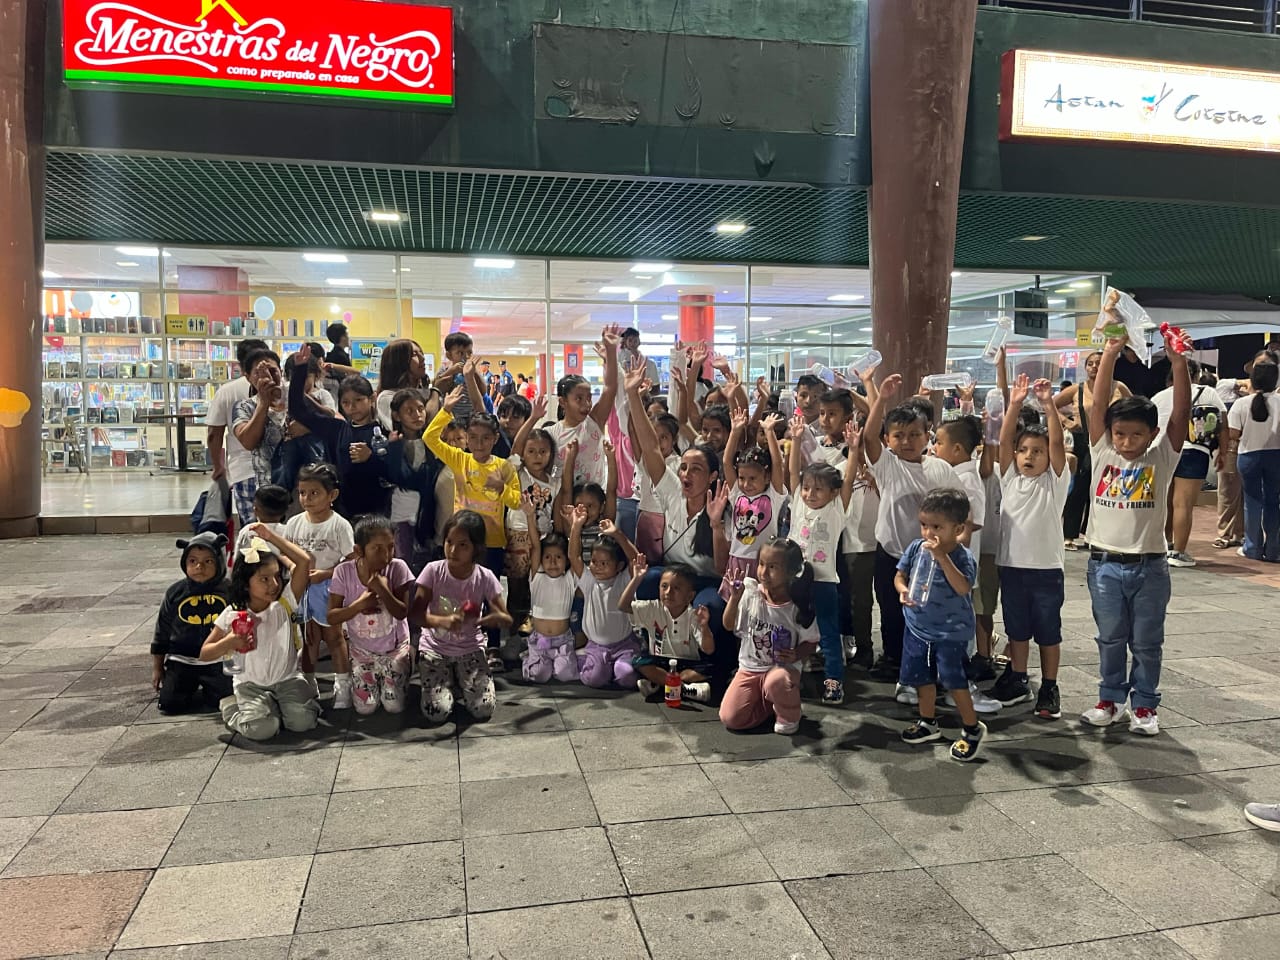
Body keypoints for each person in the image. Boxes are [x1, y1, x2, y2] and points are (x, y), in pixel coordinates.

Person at [1081, 327, 1189, 737]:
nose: (1126, 441)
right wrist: (1109, 353)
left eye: (1136, 434)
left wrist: (1177, 362)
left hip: (1150, 566)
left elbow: (1180, 414)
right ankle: (1109, 700)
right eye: (1120, 433)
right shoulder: (1102, 451)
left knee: (1146, 641)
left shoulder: (1162, 456)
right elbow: (1098, 407)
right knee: (1109, 638)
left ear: (1152, 435)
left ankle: (1144, 705)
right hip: (1104, 564)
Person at [862, 373, 959, 683]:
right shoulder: (888, 465)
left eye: (915, 434)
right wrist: (881, 398)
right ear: (888, 439)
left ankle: (924, 664)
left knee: (925, 611)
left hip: (929, 557)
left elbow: (958, 509)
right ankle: (893, 658)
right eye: (898, 435)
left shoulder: (940, 468)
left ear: (927, 434)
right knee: (890, 610)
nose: (906, 442)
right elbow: (867, 439)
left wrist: (954, 545)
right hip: (891, 554)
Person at [424, 386, 521, 669]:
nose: (479, 443)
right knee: (458, 593)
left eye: (485, 438)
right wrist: (446, 410)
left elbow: (516, 501)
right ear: (466, 437)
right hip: (461, 543)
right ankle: (459, 642)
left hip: (492, 542)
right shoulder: (459, 459)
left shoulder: (504, 467)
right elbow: (429, 437)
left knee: (490, 595)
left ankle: (493, 646)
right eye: (473, 437)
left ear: (494, 439)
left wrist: (501, 488)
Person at [995, 375, 1071, 719]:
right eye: (1024, 450)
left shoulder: (1054, 483)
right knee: (1017, 630)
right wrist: (1014, 404)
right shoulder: (1009, 478)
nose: (1029, 456)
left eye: (1038, 452)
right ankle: (1019, 678)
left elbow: (1057, 443)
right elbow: (1003, 440)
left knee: (1048, 632)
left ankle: (1050, 686)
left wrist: (1048, 405)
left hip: (1046, 571)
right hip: (1011, 568)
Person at [200, 525, 320, 741]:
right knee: (262, 730)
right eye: (264, 579)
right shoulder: (233, 613)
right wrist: (228, 642)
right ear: (246, 584)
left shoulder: (285, 602)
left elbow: (303, 562)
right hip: (250, 685)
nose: (273, 584)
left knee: (303, 723)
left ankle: (282, 707)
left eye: (276, 577)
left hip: (287, 679)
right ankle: (232, 709)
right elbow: (205, 653)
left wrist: (271, 537)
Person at [896, 488, 986, 762]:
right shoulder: (916, 548)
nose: (928, 533)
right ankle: (928, 721)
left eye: (937, 527)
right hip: (917, 626)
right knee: (921, 677)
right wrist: (902, 589)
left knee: (953, 679)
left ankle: (972, 727)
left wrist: (942, 557)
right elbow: (900, 574)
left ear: (958, 529)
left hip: (950, 631)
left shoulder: (962, 556)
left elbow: (963, 587)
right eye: (924, 525)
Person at [410, 510, 511, 724]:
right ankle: (449, 679)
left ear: (477, 548)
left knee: (483, 709)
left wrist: (491, 619)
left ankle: (457, 679)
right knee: (436, 712)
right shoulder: (432, 571)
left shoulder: (485, 577)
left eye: (463, 545)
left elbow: (504, 616)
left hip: (470, 648)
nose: (453, 550)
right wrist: (442, 621)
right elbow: (416, 615)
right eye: (449, 542)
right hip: (435, 649)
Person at [787, 417, 858, 705]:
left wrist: (854, 449)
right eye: (807, 488)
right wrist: (795, 440)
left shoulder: (836, 509)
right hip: (795, 581)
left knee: (829, 632)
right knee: (792, 628)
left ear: (833, 492)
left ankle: (834, 681)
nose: (810, 494)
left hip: (825, 582)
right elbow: (792, 472)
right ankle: (789, 674)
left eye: (818, 489)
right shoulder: (798, 502)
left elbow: (849, 480)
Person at [719, 539, 821, 734]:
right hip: (750, 669)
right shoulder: (751, 594)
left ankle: (789, 714)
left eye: (773, 567)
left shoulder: (796, 607)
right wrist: (734, 599)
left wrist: (795, 654)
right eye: (761, 564)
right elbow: (728, 625)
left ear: (790, 572)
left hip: (781, 670)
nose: (764, 572)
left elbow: (811, 642)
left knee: (776, 681)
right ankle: (770, 706)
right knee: (730, 718)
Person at [284, 463, 356, 708]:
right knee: (308, 638)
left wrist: (326, 573)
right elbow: (284, 552)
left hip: (329, 589)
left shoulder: (339, 525)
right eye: (302, 493)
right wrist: (294, 567)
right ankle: (308, 681)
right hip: (302, 588)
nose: (306, 499)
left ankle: (343, 683)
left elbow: (352, 560)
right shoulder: (294, 523)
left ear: (332, 495)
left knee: (334, 637)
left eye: (314, 493)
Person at [327, 516, 415, 716]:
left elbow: (402, 612)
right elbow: (332, 617)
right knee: (365, 708)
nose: (386, 555)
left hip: (394, 648)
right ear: (359, 551)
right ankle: (374, 676)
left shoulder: (398, 568)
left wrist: (383, 589)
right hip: (362, 651)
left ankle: (407, 658)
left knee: (393, 706)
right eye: (377, 548)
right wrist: (359, 605)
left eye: (391, 547)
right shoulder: (343, 572)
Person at [288, 359, 392, 519]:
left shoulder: (384, 431)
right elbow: (298, 411)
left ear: (372, 398)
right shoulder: (337, 429)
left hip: (377, 513)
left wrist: (371, 458)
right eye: (346, 402)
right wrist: (300, 369)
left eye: (358, 400)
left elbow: (394, 474)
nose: (352, 407)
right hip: (341, 512)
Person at [1152, 358, 1225, 567]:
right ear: (1195, 375)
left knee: (1164, 502)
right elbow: (1222, 422)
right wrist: (1222, 451)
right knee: (1183, 504)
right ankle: (1178, 553)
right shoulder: (1207, 392)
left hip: (1162, 451)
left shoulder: (1159, 396)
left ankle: (1162, 546)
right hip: (1194, 450)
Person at [1056, 351, 1132, 550]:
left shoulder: (1119, 387)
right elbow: (1050, 405)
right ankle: (1069, 534)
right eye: (1090, 363)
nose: (1095, 367)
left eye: (1099, 363)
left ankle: (1094, 533)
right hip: (1083, 440)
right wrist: (1066, 422)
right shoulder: (1077, 389)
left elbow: (1134, 408)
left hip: (1110, 441)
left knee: (1104, 487)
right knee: (1079, 488)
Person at [151, 532, 232, 714]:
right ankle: (183, 687)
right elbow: (162, 631)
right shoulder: (175, 592)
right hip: (182, 659)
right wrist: (157, 667)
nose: (199, 567)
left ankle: (211, 689)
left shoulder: (230, 591)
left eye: (208, 561)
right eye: (193, 561)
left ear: (219, 562)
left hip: (219, 659)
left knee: (222, 701)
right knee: (169, 704)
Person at [620, 555, 715, 703]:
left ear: (690, 596)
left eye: (676, 588)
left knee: (712, 668)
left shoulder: (693, 615)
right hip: (660, 662)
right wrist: (637, 578)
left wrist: (704, 627)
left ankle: (660, 684)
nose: (668, 592)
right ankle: (685, 689)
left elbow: (708, 650)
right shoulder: (653, 608)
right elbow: (623, 606)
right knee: (640, 662)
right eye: (664, 586)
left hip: (687, 664)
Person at [720, 408, 787, 597]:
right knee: (735, 604)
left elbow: (777, 463)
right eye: (742, 478)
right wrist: (735, 431)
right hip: (736, 559)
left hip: (763, 562)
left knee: (760, 605)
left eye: (753, 478)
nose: (746, 484)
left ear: (766, 477)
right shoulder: (737, 494)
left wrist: (769, 432)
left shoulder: (774, 495)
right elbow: (726, 462)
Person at [570, 509, 641, 688]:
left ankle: (617, 666)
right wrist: (576, 526)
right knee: (595, 679)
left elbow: (636, 560)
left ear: (619, 566)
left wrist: (617, 534)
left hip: (624, 645)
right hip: (596, 646)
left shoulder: (623, 580)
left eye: (604, 563)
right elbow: (574, 557)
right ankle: (587, 659)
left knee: (627, 677)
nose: (597, 567)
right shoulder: (589, 581)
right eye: (594, 562)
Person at [548, 325, 621, 489]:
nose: (586, 404)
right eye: (579, 399)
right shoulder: (551, 433)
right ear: (563, 402)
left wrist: (611, 352)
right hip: (566, 499)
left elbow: (610, 387)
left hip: (595, 498)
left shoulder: (594, 422)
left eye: (588, 398)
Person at [517, 497, 579, 683]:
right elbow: (536, 546)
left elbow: (574, 553)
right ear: (541, 560)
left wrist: (574, 525)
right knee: (539, 676)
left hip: (563, 640)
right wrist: (530, 516)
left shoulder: (569, 580)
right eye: (548, 557)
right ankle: (531, 656)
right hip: (541, 639)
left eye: (558, 557)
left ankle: (557, 660)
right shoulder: (537, 577)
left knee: (565, 675)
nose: (552, 562)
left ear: (566, 560)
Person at [1229, 359, 1280, 563]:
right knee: (1273, 501)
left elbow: (1233, 433)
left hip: (1248, 456)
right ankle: (1274, 549)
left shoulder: (1241, 404)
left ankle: (1252, 548)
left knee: (1252, 501)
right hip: (1276, 456)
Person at [231, 349, 288, 527]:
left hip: (297, 486)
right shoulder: (245, 406)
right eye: (259, 373)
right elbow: (248, 441)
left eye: (273, 371)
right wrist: (263, 402)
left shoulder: (295, 400)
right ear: (248, 377)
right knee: (259, 538)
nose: (267, 377)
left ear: (281, 372)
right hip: (261, 484)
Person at [207, 337, 268, 487]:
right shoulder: (280, 388)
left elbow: (214, 434)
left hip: (242, 470)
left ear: (240, 366)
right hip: (275, 470)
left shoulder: (226, 391)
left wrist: (218, 466)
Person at [233, 484, 290, 554]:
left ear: (255, 509)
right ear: (285, 511)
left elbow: (237, 557)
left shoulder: (247, 531)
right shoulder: (289, 531)